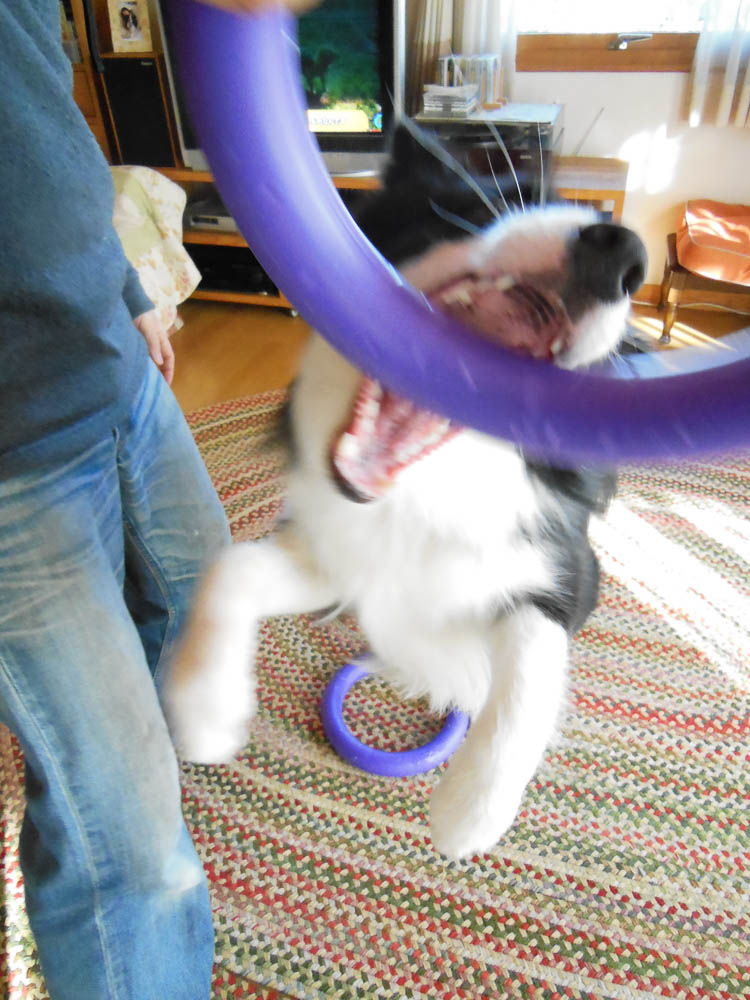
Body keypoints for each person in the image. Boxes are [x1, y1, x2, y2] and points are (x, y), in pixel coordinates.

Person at [0, 0, 311, 996]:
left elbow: (40, 103)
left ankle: (119, 759)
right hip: (12, 456)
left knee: (197, 593)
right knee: (124, 846)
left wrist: (128, 288)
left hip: (109, 354)